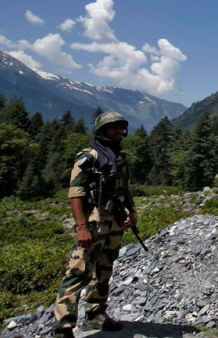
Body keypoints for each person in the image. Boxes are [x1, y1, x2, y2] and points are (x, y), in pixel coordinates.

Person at [52, 112, 138, 338]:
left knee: (104, 269)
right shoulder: (88, 156)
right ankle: (63, 327)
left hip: (115, 222)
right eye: (113, 127)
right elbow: (76, 192)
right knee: (77, 270)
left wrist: (133, 212)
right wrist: (81, 227)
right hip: (94, 222)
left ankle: (95, 314)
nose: (118, 131)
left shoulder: (120, 157)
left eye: (120, 127)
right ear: (102, 130)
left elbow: (125, 188)